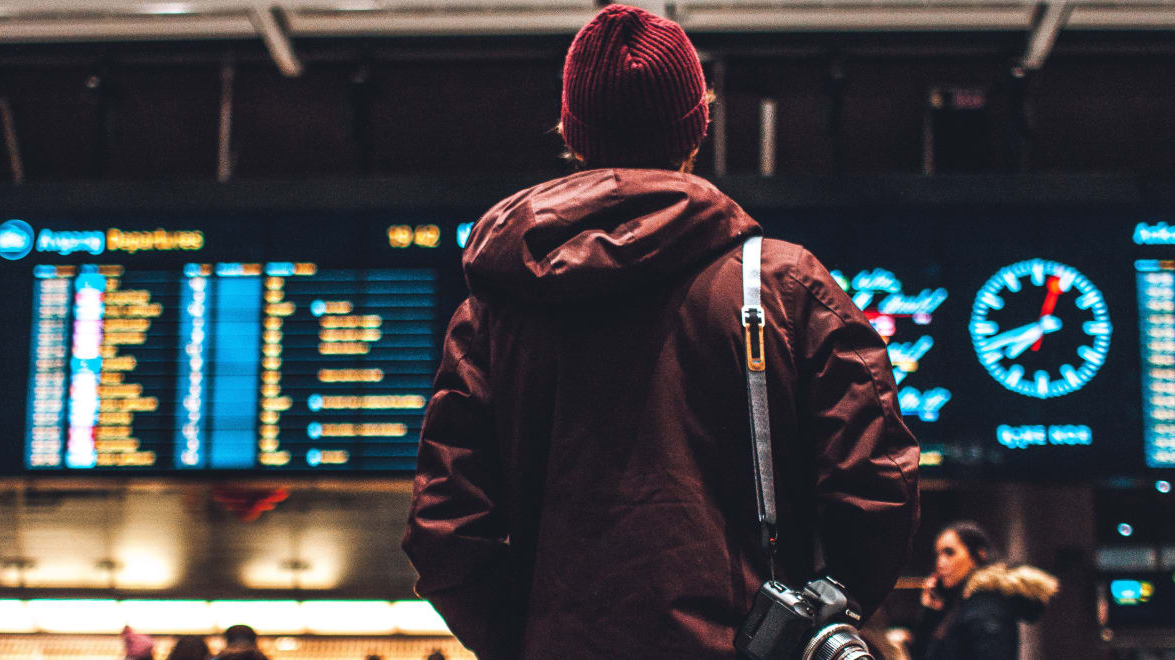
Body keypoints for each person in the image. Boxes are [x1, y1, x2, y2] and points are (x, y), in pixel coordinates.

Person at [401, 4, 919, 659]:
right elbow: (876, 488)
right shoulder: (785, 286)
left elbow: (444, 532)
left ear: (572, 130)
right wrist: (805, 625)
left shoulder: (495, 310)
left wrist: (532, 642)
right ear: (696, 127)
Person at [911, 521, 1059, 660]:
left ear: (979, 555)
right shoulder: (963, 604)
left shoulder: (985, 607)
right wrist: (931, 613)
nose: (940, 563)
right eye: (938, 554)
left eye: (949, 553)